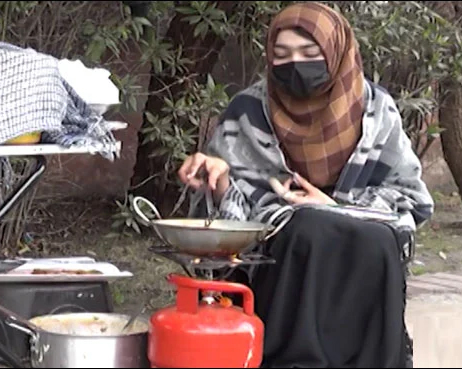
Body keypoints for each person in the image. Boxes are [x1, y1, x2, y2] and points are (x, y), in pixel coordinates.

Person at [178, 2, 433, 368]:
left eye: (309, 53)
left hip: (359, 238)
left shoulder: (377, 111)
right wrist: (220, 180)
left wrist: (333, 208)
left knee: (371, 239)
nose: (295, 63)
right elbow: (226, 222)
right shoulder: (248, 110)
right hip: (279, 246)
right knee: (307, 229)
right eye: (281, 55)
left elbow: (411, 198)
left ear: (336, 52)